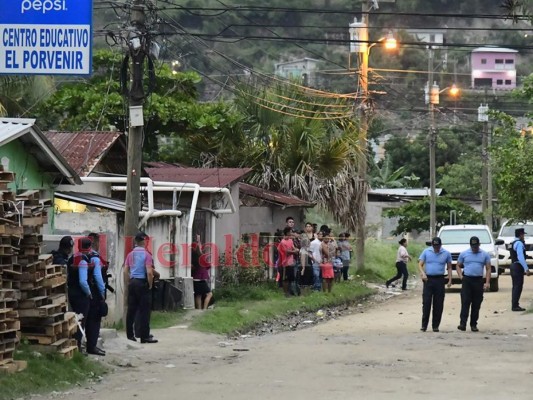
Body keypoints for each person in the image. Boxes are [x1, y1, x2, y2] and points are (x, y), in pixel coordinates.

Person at [124, 232, 158, 343]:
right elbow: (149, 272)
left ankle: (130, 335)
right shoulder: (147, 255)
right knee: (144, 311)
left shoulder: (130, 254)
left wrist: (129, 282)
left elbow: (125, 271)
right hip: (142, 283)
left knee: (131, 310)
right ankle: (144, 336)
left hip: (133, 283)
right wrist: (150, 284)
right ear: (144, 241)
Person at [455, 236, 491, 332]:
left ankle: (473, 324)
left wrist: (487, 282)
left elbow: (488, 268)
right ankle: (462, 324)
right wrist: (460, 276)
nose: (474, 248)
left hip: (478, 280)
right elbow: (458, 265)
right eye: (472, 246)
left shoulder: (484, 254)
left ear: (479, 245)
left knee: (476, 303)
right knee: (465, 302)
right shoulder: (464, 254)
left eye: (476, 246)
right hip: (467, 280)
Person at [418, 237, 452, 332]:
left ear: (441, 245)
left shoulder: (446, 253)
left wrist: (450, 279)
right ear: (432, 245)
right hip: (428, 279)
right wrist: (423, 273)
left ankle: (435, 325)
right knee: (426, 303)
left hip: (440, 280)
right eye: (434, 246)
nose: (436, 248)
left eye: (437, 246)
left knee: (438, 304)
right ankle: (424, 325)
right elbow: (420, 264)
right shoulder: (426, 251)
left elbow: (449, 267)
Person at [67, 237, 93, 352]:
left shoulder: (72, 257)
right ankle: (77, 346)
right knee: (80, 321)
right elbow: (83, 281)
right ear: (89, 248)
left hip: (71, 292)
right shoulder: (83, 260)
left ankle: (73, 344)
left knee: (73, 320)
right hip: (80, 295)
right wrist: (89, 293)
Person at [83, 235, 106, 356]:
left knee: (85, 319)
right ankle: (92, 346)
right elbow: (98, 277)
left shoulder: (80, 256)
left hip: (83, 293)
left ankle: (85, 345)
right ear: (95, 243)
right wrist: (102, 293)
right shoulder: (95, 258)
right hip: (95, 293)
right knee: (94, 320)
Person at [509, 228, 530, 311]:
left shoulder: (513, 243)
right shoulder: (519, 244)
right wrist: (526, 269)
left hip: (513, 266)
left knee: (515, 286)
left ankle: (514, 304)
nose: (524, 236)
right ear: (521, 235)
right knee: (518, 286)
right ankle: (515, 306)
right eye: (523, 234)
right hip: (517, 266)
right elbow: (520, 257)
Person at [192, 234, 213, 309]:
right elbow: (208, 266)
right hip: (201, 279)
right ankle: (204, 309)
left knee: (198, 295)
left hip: (195, 279)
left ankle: (198, 310)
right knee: (209, 294)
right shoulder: (202, 257)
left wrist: (198, 239)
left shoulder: (193, 257)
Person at [278, 227, 299, 296]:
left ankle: (290, 292)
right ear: (287, 233)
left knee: (291, 278)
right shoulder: (282, 242)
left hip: (291, 262)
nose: (291, 233)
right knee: (285, 278)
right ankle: (285, 293)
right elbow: (286, 252)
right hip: (284, 263)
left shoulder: (290, 240)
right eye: (290, 232)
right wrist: (294, 251)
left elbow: (293, 247)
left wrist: (296, 249)